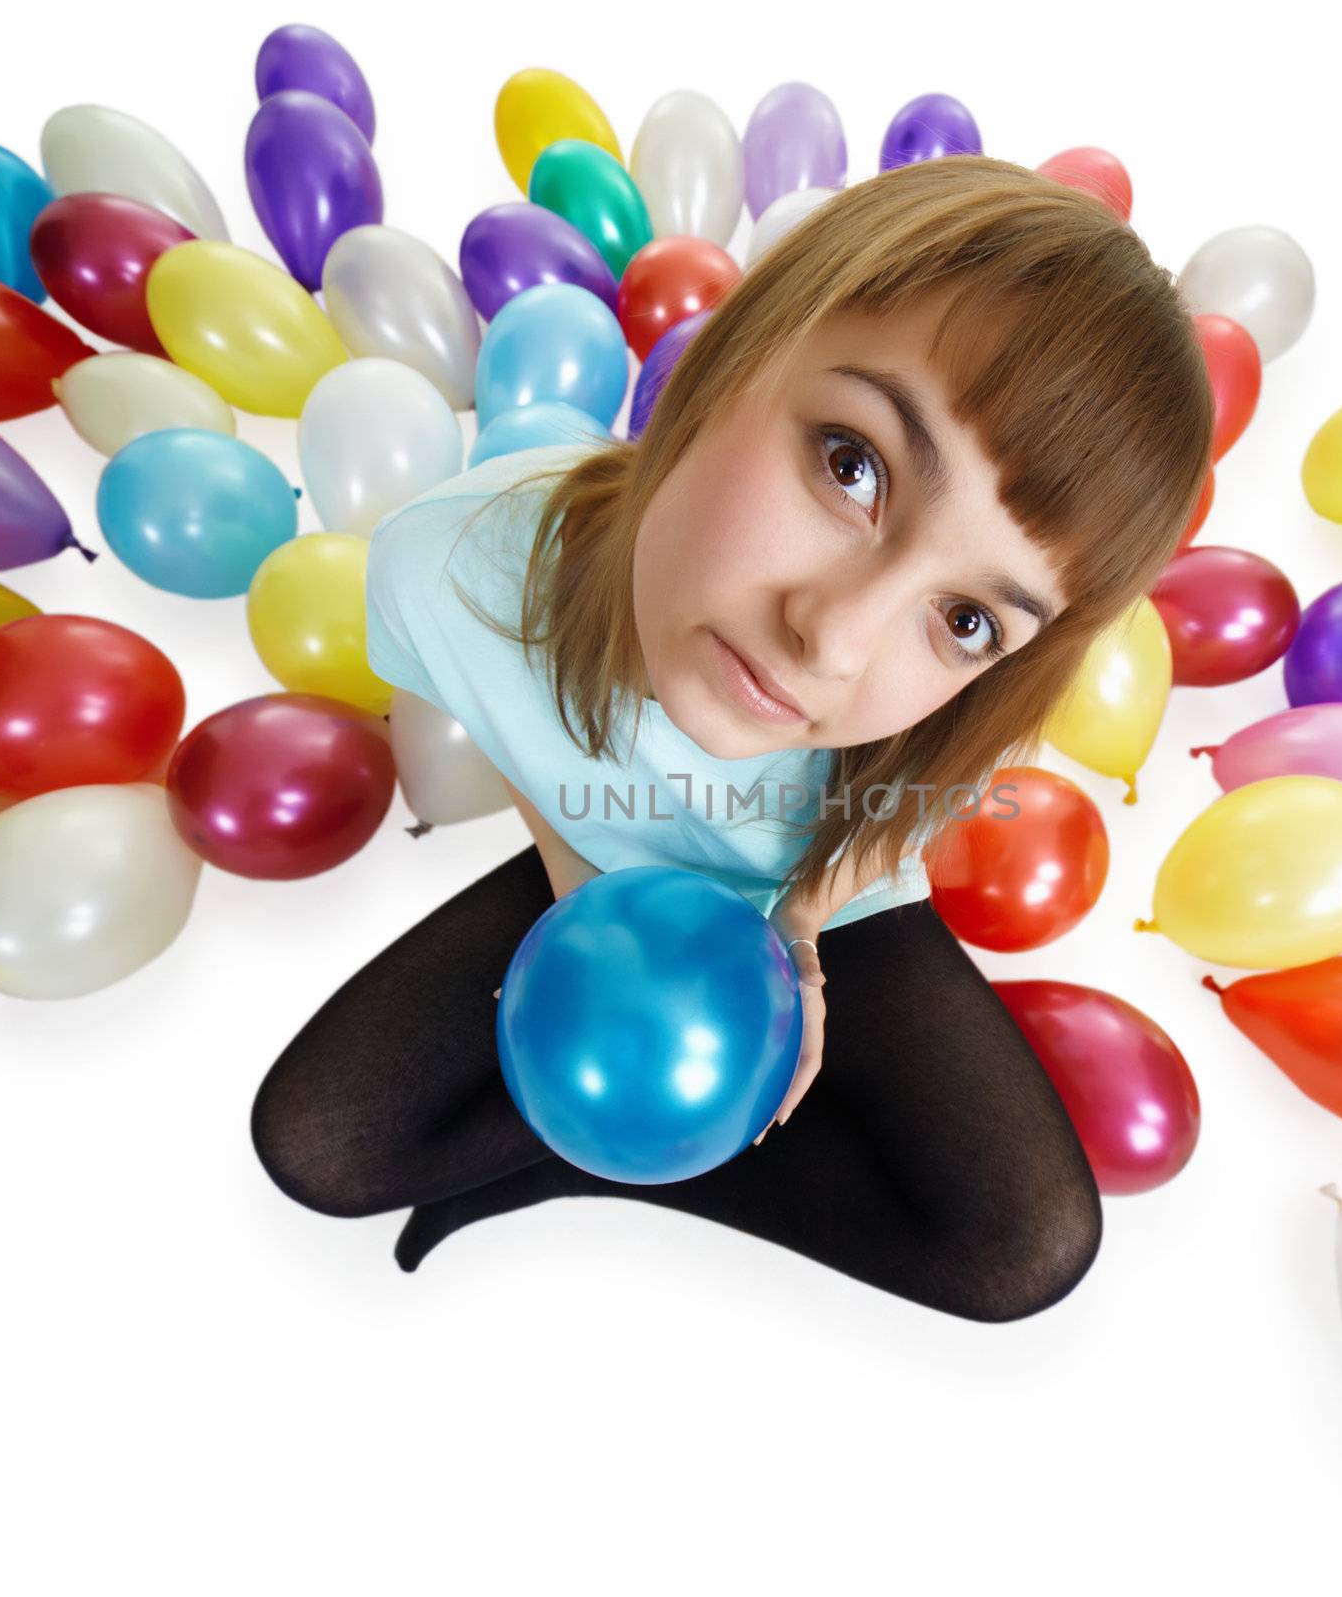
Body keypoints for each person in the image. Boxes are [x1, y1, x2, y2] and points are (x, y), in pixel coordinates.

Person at [250, 153, 1214, 1322]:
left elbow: (913, 785)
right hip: (615, 869)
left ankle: (583, 1162)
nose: (832, 641)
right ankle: (612, 1142)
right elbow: (501, 708)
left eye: (964, 619)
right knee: (318, 1147)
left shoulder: (911, 715)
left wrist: (801, 929)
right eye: (851, 465)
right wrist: (578, 877)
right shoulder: (445, 567)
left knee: (1025, 1245)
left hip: (816, 885)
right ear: (733, 351)